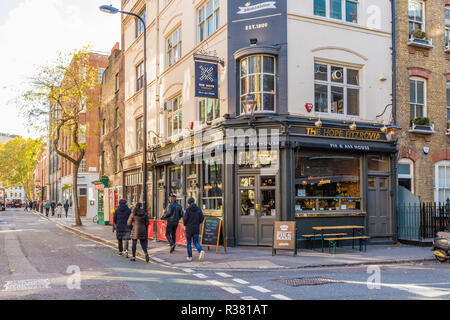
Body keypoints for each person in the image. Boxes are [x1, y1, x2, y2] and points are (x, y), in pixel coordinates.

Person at [183, 197, 205, 262]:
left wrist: (185, 224)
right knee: (196, 242)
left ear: (188, 203)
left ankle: (190, 257)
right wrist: (198, 222)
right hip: (196, 228)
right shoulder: (198, 209)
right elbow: (202, 218)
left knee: (189, 243)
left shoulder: (187, 210)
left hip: (189, 229)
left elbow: (185, 219)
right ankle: (200, 250)